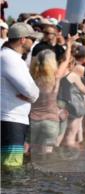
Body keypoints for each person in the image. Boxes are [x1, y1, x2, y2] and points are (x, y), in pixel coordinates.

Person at [1, 23, 41, 167]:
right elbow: (30, 91)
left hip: (10, 118)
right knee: (11, 166)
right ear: (23, 39)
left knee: (8, 165)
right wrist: (34, 95)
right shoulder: (10, 59)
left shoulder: (9, 57)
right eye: (33, 39)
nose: (34, 43)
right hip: (11, 119)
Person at [29, 45, 75, 155]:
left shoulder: (31, 77)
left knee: (32, 154)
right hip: (51, 121)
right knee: (47, 155)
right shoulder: (56, 76)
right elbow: (66, 60)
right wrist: (69, 45)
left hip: (33, 120)